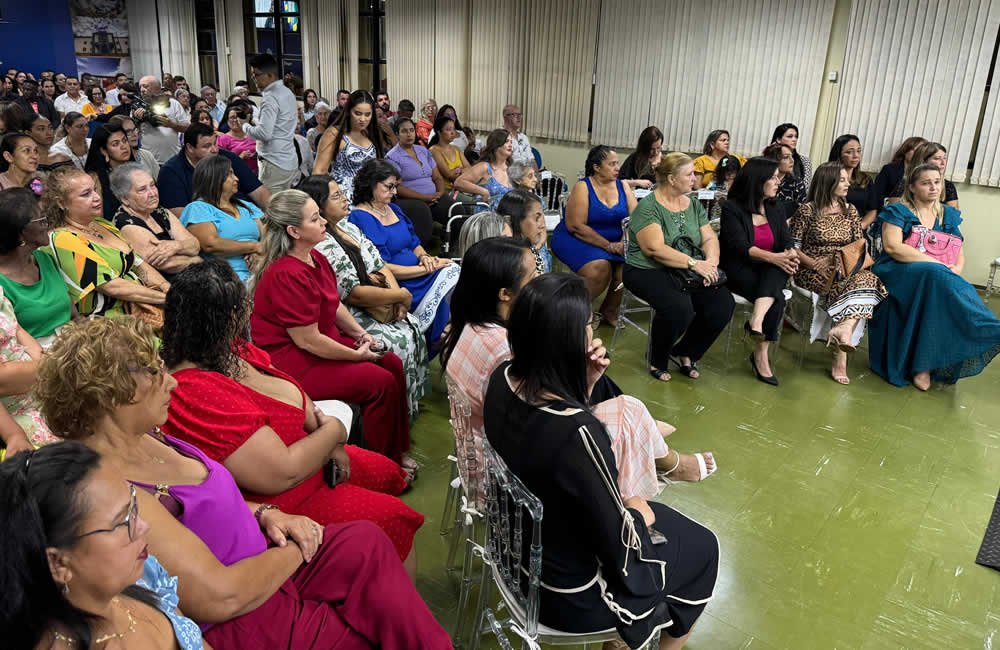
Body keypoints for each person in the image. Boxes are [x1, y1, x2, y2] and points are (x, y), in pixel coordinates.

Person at [34, 317, 453, 649]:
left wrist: (266, 513)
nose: (172, 381)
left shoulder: (149, 435)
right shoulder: (111, 491)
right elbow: (220, 598)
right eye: (155, 374)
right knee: (363, 634)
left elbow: (208, 502)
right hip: (246, 612)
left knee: (366, 542)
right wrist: (298, 548)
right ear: (112, 395)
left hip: (268, 559)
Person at [483, 272, 719, 649]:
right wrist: (638, 512)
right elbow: (617, 540)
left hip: (511, 553)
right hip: (566, 595)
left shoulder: (501, 378)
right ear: (569, 340)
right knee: (704, 547)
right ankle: (629, 638)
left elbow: (546, 461)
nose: (593, 329)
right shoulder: (576, 433)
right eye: (589, 322)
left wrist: (585, 385)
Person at [161, 259, 425, 568]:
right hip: (290, 496)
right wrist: (334, 432)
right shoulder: (194, 391)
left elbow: (292, 389)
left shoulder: (231, 351)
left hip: (314, 455)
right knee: (397, 519)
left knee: (386, 472)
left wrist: (328, 439)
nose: (249, 313)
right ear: (226, 319)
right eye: (243, 308)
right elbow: (280, 473)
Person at [442, 238, 707, 502]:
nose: (540, 280)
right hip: (509, 480)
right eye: (533, 276)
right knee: (629, 411)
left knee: (610, 396)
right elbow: (554, 422)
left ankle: (652, 443)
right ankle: (662, 462)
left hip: (485, 458)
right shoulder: (508, 351)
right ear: (505, 293)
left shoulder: (468, 326)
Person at [250, 189, 418, 476]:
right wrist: (356, 356)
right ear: (294, 231)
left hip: (320, 344)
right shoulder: (286, 273)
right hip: (294, 361)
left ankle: (395, 450)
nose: (324, 222)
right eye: (315, 219)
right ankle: (380, 467)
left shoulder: (315, 257)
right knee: (379, 382)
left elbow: (334, 304)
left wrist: (360, 335)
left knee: (391, 362)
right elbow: (307, 340)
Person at [0, 442, 207, 649]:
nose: (143, 526)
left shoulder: (145, 575)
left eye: (133, 505)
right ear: (57, 563)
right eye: (121, 522)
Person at [300, 175, 429, 416]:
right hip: (352, 311)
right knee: (395, 342)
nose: (345, 199)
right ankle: (394, 410)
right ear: (319, 205)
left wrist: (397, 298)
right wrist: (399, 295)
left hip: (380, 298)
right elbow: (353, 295)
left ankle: (408, 404)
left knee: (411, 325)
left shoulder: (349, 227)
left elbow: (380, 265)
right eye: (336, 196)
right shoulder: (322, 243)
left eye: (342, 193)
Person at [869, 163, 1000, 390]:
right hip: (897, 269)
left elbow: (959, 252)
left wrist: (955, 270)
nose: (933, 187)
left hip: (933, 277)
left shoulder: (947, 214)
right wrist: (938, 265)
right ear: (912, 187)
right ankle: (986, 324)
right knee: (934, 275)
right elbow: (893, 248)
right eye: (926, 183)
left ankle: (925, 366)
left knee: (938, 289)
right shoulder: (898, 210)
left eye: (937, 182)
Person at [623, 153, 735, 382]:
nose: (695, 178)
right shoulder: (648, 207)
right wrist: (695, 264)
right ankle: (657, 358)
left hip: (686, 269)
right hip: (647, 269)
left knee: (722, 304)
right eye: (689, 174)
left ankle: (686, 351)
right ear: (672, 179)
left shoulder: (692, 204)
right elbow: (654, 249)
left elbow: (709, 238)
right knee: (679, 308)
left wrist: (711, 263)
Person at [789, 162, 886, 385]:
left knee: (868, 279)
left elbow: (858, 244)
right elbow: (793, 246)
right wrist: (814, 264)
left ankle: (843, 332)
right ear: (828, 182)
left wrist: (837, 260)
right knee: (860, 285)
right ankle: (841, 351)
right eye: (842, 180)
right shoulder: (807, 210)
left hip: (844, 266)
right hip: (811, 269)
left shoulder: (850, 210)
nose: (848, 183)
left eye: (847, 179)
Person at [348, 160, 460, 347]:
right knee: (451, 279)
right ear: (371, 183)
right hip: (399, 283)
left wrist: (425, 257)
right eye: (389, 186)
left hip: (419, 271)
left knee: (457, 273)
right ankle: (439, 341)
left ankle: (450, 336)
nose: (394, 192)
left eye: (395, 187)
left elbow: (414, 243)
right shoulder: (360, 217)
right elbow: (382, 267)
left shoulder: (393, 208)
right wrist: (426, 269)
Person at [42, 166, 170, 317]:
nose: (97, 197)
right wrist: (169, 299)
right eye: (86, 194)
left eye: (95, 189)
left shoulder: (101, 224)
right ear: (61, 203)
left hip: (143, 308)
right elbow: (112, 287)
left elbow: (138, 263)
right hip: (109, 321)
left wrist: (166, 287)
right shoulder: (62, 239)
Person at [719, 157, 798, 385]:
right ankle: (760, 356)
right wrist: (777, 258)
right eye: (773, 178)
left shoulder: (775, 207)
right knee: (777, 298)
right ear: (757, 180)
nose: (778, 182)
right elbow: (740, 247)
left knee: (779, 270)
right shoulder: (732, 208)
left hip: (770, 269)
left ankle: (756, 321)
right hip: (739, 268)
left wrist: (790, 254)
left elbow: (785, 240)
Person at [552, 145, 637, 324]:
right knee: (600, 267)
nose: (617, 168)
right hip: (578, 238)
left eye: (617, 163)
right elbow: (576, 226)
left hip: (615, 240)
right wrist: (608, 246)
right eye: (612, 164)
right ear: (597, 167)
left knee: (629, 267)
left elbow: (635, 219)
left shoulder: (623, 186)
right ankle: (573, 311)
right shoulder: (583, 186)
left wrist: (623, 241)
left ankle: (609, 310)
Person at [0, 187, 72, 343]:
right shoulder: (2, 285)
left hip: (72, 343)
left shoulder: (44, 259)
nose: (47, 224)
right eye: (41, 220)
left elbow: (72, 314)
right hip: (34, 355)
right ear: (21, 234)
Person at [180, 154, 263, 282]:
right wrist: (253, 247)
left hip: (260, 268)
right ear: (214, 178)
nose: (236, 178)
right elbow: (211, 245)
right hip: (225, 278)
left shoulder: (247, 206)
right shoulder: (198, 208)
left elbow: (269, 237)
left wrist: (261, 254)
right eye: (230, 174)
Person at [110, 163, 202, 278]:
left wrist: (177, 246)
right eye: (142, 190)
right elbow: (166, 264)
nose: (152, 194)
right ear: (125, 199)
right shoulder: (125, 223)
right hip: (161, 284)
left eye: (152, 185)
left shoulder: (159, 211)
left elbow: (195, 245)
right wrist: (197, 260)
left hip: (188, 275)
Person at [158, 123, 270, 216]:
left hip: (247, 213)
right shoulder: (171, 172)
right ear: (190, 148)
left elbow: (259, 192)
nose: (215, 150)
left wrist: (274, 216)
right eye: (207, 146)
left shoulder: (228, 158)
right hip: (209, 226)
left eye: (215, 143)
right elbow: (179, 214)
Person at [313, 90, 386, 204]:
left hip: (369, 197)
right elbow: (319, 172)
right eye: (358, 113)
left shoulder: (371, 133)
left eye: (367, 114)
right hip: (342, 199)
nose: (363, 119)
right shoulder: (334, 133)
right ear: (348, 111)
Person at [242, 53, 299, 193]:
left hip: (274, 163)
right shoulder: (287, 92)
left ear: (270, 75)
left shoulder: (270, 97)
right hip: (288, 159)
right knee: (283, 203)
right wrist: (255, 122)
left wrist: (245, 125)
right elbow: (278, 125)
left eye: (256, 75)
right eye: (252, 75)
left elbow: (264, 134)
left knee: (269, 204)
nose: (253, 79)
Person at [385, 117, 450, 225]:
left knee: (455, 209)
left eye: (411, 130)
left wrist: (440, 193)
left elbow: (437, 177)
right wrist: (424, 198)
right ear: (397, 134)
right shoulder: (392, 157)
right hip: (412, 200)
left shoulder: (423, 151)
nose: (409, 134)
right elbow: (397, 187)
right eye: (404, 131)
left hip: (435, 197)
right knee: (422, 211)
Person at [83, 122, 135, 220]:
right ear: (103, 151)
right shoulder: (95, 179)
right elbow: (97, 221)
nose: (123, 146)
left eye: (124, 140)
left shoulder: (137, 170)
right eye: (115, 144)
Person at [885, 141, 960, 209]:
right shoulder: (905, 183)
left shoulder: (948, 186)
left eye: (944, 158)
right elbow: (892, 213)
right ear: (923, 161)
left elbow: (954, 215)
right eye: (937, 158)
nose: (943, 163)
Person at [453, 129, 513, 211]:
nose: (510, 145)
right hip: (485, 214)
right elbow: (459, 182)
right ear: (496, 145)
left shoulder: (511, 169)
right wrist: (483, 191)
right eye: (506, 141)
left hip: (507, 214)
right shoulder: (485, 167)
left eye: (511, 142)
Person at [135, 75, 191, 164]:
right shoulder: (137, 106)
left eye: (145, 86)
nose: (142, 90)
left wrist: (172, 125)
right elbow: (132, 133)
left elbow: (187, 128)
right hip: (148, 161)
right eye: (140, 87)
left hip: (172, 158)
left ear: (157, 88)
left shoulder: (173, 104)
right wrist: (137, 120)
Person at [827, 134, 876, 227]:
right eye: (849, 152)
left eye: (858, 151)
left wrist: (860, 226)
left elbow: (872, 210)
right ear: (839, 154)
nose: (856, 156)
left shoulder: (865, 179)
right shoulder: (827, 177)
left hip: (858, 227)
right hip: (830, 226)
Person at [498, 189, 550, 274]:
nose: (543, 225)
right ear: (516, 220)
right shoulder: (504, 256)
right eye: (537, 218)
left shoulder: (537, 247)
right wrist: (537, 248)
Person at [871, 136, 926, 209]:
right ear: (905, 150)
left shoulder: (925, 173)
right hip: (889, 209)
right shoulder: (889, 169)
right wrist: (888, 201)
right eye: (914, 150)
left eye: (920, 151)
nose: (917, 154)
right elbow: (875, 195)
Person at [109, 114, 160, 180]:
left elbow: (160, 182)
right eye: (128, 132)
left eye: (134, 129)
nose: (134, 134)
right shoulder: (112, 163)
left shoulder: (147, 155)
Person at [428, 114, 472, 191]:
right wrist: (462, 170)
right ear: (439, 132)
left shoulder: (456, 148)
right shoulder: (434, 150)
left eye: (454, 129)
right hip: (447, 190)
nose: (453, 132)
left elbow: (470, 169)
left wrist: (457, 170)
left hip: (463, 186)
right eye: (448, 129)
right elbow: (450, 176)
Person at [762, 142, 806, 212]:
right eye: (786, 157)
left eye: (792, 156)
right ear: (774, 160)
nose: (792, 160)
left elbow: (802, 210)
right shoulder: (762, 180)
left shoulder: (797, 183)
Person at [218, 103, 259, 173]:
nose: (236, 120)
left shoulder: (253, 134)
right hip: (236, 175)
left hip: (257, 173)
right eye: (232, 117)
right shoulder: (223, 139)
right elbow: (220, 163)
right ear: (227, 120)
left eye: (239, 117)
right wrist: (240, 157)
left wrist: (257, 155)